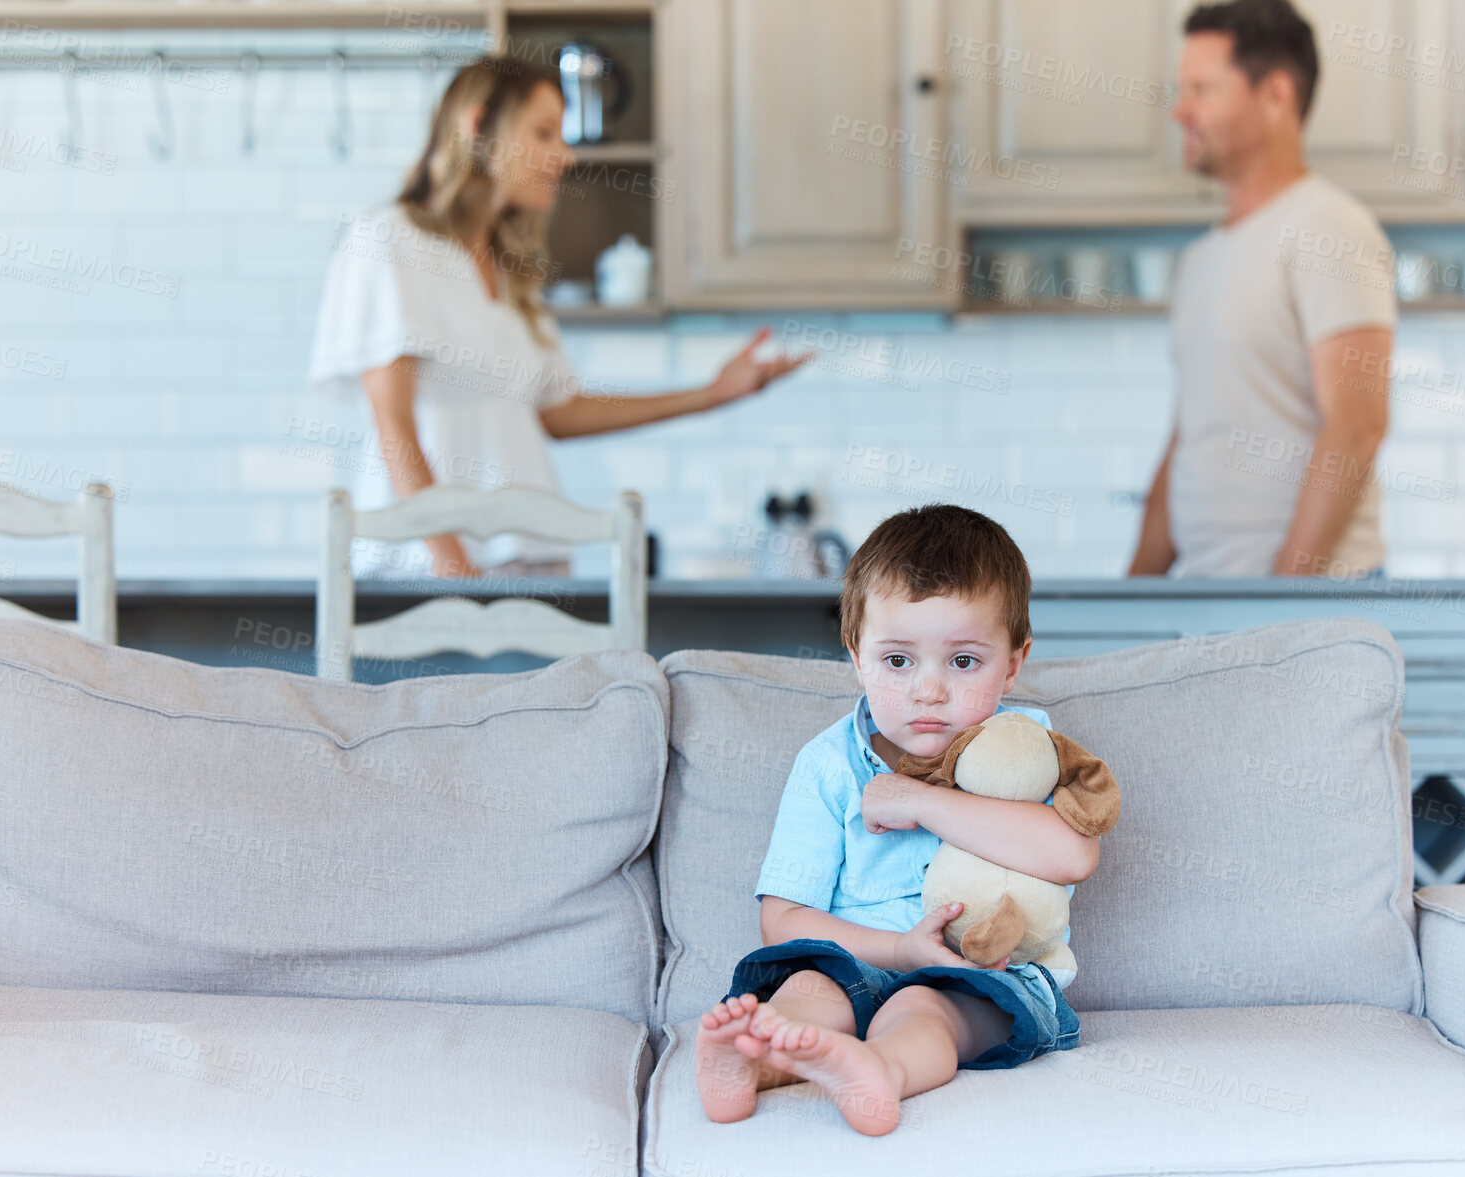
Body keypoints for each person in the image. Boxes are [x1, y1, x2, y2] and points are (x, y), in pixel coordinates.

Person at [308, 56, 809, 580]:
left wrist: (710, 394)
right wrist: (451, 563)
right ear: (479, 127)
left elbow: (558, 412)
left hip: (531, 559)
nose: (564, 157)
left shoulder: (512, 275)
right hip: (425, 569)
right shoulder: (388, 240)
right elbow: (394, 423)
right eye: (544, 133)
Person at [695, 504, 1101, 1136]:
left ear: (1014, 663)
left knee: (924, 1009)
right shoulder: (829, 765)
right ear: (857, 654)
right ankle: (754, 1066)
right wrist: (896, 949)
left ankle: (878, 1070)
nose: (929, 691)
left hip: (980, 974)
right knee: (807, 995)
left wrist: (922, 802)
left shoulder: (1028, 750)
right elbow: (782, 918)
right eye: (898, 661)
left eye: (963, 661)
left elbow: (1073, 857)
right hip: (852, 958)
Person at [1129, 0, 1396, 579]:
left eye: (1202, 89)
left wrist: (1284, 592)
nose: (1179, 112)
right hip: (1214, 596)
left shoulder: (1330, 228)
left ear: (1275, 96)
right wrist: (1135, 594)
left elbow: (1358, 426)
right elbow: (1188, 441)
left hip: (1309, 607)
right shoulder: (1203, 259)